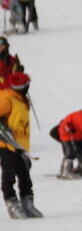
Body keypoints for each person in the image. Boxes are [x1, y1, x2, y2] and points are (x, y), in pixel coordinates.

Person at [0, 73, 42, 219]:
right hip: (6, 144)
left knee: (24, 175)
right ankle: (12, 204)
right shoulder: (6, 98)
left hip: (21, 145)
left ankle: (27, 204)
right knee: (9, 174)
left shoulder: (21, 99)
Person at [54, 107, 82, 178]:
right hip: (67, 135)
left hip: (80, 135)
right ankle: (66, 170)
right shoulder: (71, 119)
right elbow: (64, 125)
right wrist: (68, 128)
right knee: (70, 153)